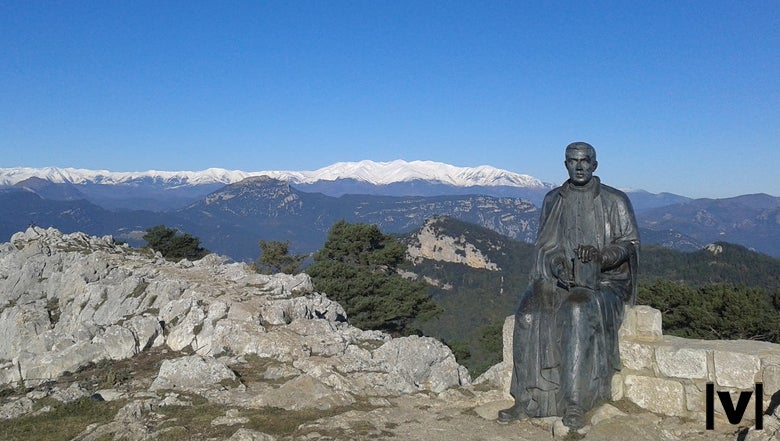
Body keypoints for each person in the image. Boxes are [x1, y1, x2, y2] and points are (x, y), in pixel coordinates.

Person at [498, 142, 639, 429]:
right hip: (558, 279)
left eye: (585, 161)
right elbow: (544, 246)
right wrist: (556, 264)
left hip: (604, 282)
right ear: (565, 164)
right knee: (527, 314)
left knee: (576, 309)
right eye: (573, 161)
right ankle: (527, 399)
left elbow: (630, 244)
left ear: (595, 164)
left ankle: (576, 402)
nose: (579, 166)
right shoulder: (553, 199)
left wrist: (601, 257)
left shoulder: (615, 200)